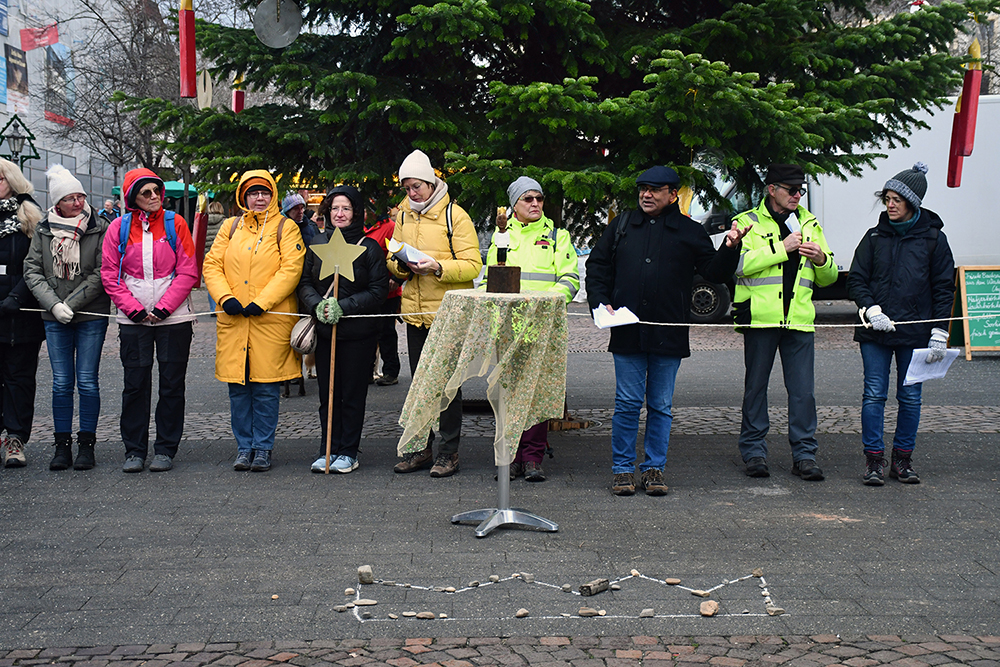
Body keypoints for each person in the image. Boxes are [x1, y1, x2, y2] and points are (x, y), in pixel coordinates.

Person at [586, 166, 748, 496]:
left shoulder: (689, 230)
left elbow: (713, 271)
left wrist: (730, 247)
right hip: (627, 331)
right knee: (628, 402)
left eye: (655, 190)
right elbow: (598, 266)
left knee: (660, 404)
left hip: (668, 332)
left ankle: (654, 468)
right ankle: (622, 470)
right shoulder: (622, 225)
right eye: (643, 188)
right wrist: (601, 303)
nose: (647, 194)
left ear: (673, 194)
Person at [846, 163, 955, 485]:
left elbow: (943, 287)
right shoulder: (874, 236)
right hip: (874, 332)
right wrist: (871, 308)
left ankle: (903, 461)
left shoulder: (935, 240)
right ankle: (874, 461)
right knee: (873, 395)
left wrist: (939, 331)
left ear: (913, 203)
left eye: (896, 199)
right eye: (887, 199)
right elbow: (856, 279)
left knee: (910, 398)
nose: (890, 205)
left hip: (916, 334)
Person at [733, 163, 837, 481]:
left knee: (803, 392)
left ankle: (804, 455)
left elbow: (829, 276)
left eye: (801, 190)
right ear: (771, 189)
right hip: (760, 319)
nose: (797, 195)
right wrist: (783, 247)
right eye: (791, 189)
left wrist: (821, 259)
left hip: (799, 320)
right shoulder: (746, 221)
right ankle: (753, 452)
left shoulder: (809, 221)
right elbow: (739, 265)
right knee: (756, 389)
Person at [387, 149, 482, 477]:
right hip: (415, 314)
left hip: (449, 315)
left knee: (447, 387)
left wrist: (438, 266)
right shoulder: (402, 216)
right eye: (407, 188)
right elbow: (392, 257)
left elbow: (473, 265)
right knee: (420, 385)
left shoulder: (455, 216)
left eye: (416, 187)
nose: (411, 193)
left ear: (430, 182)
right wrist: (402, 266)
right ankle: (420, 449)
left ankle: (449, 452)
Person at [203, 170, 305, 472]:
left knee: (265, 388)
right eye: (252, 193)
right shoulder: (229, 227)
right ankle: (243, 446)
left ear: (273, 195)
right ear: (243, 197)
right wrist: (225, 298)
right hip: (235, 320)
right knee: (238, 388)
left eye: (264, 192)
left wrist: (262, 301)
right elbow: (212, 264)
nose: (259, 198)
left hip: (268, 320)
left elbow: (291, 269)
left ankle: (263, 448)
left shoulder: (286, 228)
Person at [101, 169, 199, 473]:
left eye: (157, 191)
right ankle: (134, 450)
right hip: (134, 322)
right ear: (133, 198)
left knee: (171, 385)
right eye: (147, 192)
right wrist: (132, 309)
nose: (155, 197)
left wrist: (166, 307)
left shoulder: (176, 223)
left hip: (174, 320)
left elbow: (188, 271)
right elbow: (109, 273)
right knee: (135, 384)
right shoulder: (117, 228)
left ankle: (166, 449)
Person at [483, 176, 580, 482]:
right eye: (528, 199)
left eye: (539, 198)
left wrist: (546, 302)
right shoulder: (501, 236)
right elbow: (489, 281)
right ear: (514, 205)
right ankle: (509, 455)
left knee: (536, 395)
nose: (536, 203)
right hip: (507, 329)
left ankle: (533, 457)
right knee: (506, 394)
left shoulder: (556, 235)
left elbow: (570, 279)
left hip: (541, 327)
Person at [24, 165, 112, 471]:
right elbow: (32, 270)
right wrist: (53, 305)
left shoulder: (98, 227)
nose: (77, 202)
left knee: (87, 381)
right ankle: (62, 446)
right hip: (53, 318)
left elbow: (102, 272)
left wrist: (70, 304)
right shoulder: (44, 228)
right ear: (57, 203)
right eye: (70, 198)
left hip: (90, 315)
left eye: (80, 196)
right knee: (61, 383)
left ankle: (86, 445)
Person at [297, 185, 388, 473]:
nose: (339, 213)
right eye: (335, 208)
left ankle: (348, 450)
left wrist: (344, 306)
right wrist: (316, 306)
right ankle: (328, 447)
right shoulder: (317, 244)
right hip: (325, 333)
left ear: (356, 212)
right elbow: (305, 284)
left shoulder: (369, 247)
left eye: (345, 208)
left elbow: (377, 291)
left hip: (358, 334)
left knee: (351, 394)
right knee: (328, 394)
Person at [0, 159, 45, 468]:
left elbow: (38, 268)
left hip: (21, 314)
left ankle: (15, 438)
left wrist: (16, 296)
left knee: (20, 379)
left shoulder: (30, 218)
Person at [364, 205, 402, 386]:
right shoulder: (360, 229)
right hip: (367, 290)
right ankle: (366, 371)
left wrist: (397, 278)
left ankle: (390, 372)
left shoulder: (389, 228)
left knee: (386, 332)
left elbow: (399, 253)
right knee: (367, 332)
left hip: (388, 290)